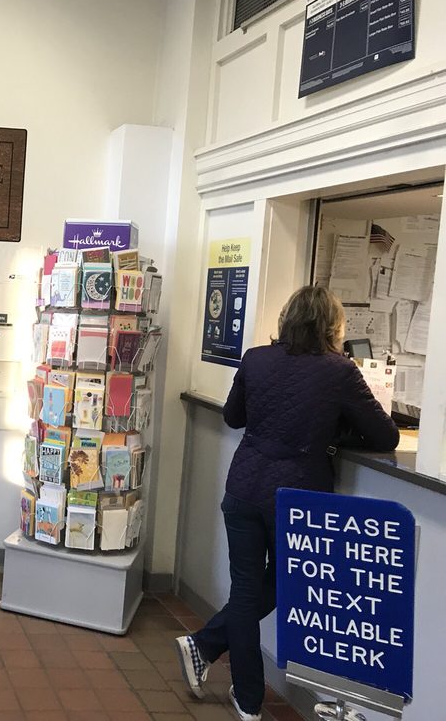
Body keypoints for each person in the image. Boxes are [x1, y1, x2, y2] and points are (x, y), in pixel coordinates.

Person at [174, 286, 398, 721]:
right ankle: (233, 679)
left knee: (246, 590)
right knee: (282, 585)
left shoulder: (255, 359)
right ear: (333, 326)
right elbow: (385, 435)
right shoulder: (340, 371)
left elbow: (234, 417)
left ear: (286, 319)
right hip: (297, 498)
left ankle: (220, 664)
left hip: (243, 487)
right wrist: (334, 435)